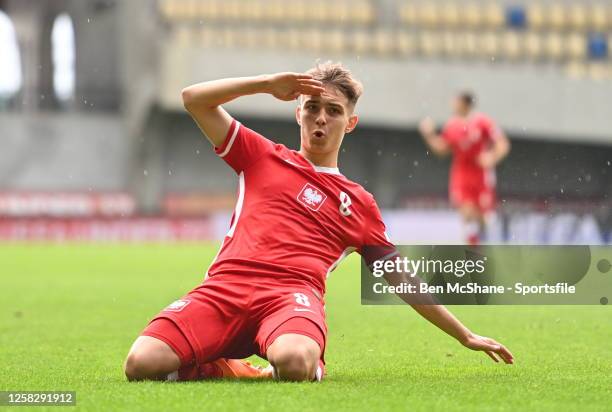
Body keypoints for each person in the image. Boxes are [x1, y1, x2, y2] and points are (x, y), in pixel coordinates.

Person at [124, 63, 513, 383]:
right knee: (140, 363)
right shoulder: (261, 156)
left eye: (333, 111)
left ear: (351, 122)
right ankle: (226, 368)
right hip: (225, 289)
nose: (320, 119)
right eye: (312, 108)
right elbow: (194, 99)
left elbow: (401, 278)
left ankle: (297, 364)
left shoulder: (359, 203)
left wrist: (464, 335)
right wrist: (265, 84)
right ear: (298, 112)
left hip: (289, 298)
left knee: (294, 361)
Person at [419, 93, 510, 245]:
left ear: (465, 104)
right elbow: (442, 150)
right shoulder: (452, 125)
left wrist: (491, 157)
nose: (453, 105)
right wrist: (429, 135)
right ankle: (472, 253)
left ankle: (482, 239)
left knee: (484, 219)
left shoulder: (483, 122)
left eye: (456, 102)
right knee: (467, 212)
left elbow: (503, 144)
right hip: (461, 174)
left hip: (481, 174)